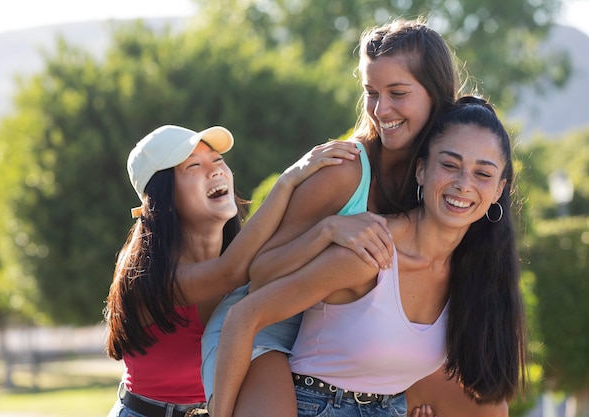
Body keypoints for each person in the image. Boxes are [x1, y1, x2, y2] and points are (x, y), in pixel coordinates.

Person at [200, 17, 460, 416]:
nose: (381, 108)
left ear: (436, 96)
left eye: (397, 92)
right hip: (261, 328)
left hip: (335, 343)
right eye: (371, 92)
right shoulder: (344, 170)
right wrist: (328, 230)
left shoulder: (444, 178)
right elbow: (262, 276)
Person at [211, 97, 527, 417]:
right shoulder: (371, 250)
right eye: (449, 165)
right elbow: (244, 315)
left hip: (390, 407)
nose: (463, 185)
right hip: (317, 405)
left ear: (499, 190)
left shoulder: (474, 273)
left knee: (490, 410)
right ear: (421, 170)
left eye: (482, 174)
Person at [104, 124, 390, 417]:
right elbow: (230, 273)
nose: (215, 171)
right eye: (194, 166)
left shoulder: (250, 257)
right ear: (161, 197)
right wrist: (288, 181)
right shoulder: (144, 272)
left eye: (217, 160)